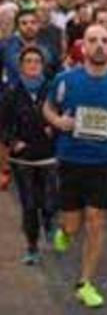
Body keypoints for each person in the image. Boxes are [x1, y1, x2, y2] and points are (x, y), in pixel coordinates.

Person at [43, 24, 107, 308]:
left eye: (104, 41)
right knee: (72, 224)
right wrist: (58, 122)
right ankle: (65, 231)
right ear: (83, 46)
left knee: (96, 221)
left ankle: (85, 283)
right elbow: (48, 109)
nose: (98, 45)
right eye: (92, 40)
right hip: (70, 159)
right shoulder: (65, 81)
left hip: (103, 162)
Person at [0, 46, 57, 265]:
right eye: (29, 61)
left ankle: (49, 221)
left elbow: (64, 114)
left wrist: (56, 128)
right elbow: (2, 124)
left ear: (42, 65)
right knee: (29, 204)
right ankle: (32, 246)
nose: (33, 65)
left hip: (49, 155)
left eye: (37, 61)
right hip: (22, 158)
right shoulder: (11, 92)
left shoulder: (52, 89)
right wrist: (13, 142)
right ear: (21, 65)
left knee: (50, 199)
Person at [1, 9, 61, 89]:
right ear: (17, 27)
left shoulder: (49, 47)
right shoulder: (5, 46)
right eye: (24, 23)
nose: (29, 26)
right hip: (14, 95)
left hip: (43, 93)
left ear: (38, 25)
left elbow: (58, 69)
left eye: (33, 22)